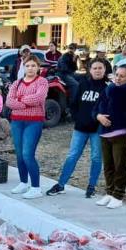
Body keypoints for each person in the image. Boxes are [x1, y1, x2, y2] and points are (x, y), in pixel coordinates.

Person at [47, 60, 108, 198]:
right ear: (90, 70)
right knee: (72, 156)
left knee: (96, 158)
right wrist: (77, 117)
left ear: (105, 70)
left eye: (100, 68)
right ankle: (61, 184)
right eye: (94, 68)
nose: (97, 70)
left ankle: (92, 186)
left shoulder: (107, 87)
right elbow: (74, 103)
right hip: (80, 128)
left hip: (97, 130)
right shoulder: (83, 84)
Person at [93, 63, 126, 209]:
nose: (118, 78)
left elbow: (113, 93)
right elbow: (97, 106)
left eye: (122, 76)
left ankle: (118, 195)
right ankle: (110, 191)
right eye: (116, 75)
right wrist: (99, 116)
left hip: (122, 132)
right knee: (108, 165)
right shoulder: (110, 87)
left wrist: (110, 85)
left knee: (120, 165)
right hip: (105, 132)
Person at [6, 55, 49, 199]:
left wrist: (19, 100)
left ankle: (36, 187)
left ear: (38, 68)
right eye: (28, 65)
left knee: (27, 154)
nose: (30, 68)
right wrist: (24, 102)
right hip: (17, 121)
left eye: (33, 66)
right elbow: (9, 102)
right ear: (23, 67)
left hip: (34, 121)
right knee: (19, 154)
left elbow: (39, 98)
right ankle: (23, 182)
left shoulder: (42, 82)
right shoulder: (17, 83)